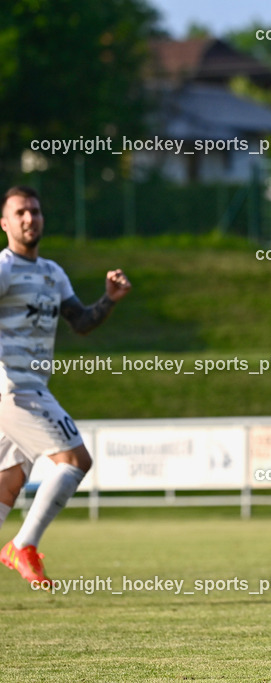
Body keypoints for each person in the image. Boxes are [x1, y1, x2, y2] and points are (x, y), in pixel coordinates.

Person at [0, 185, 132, 587]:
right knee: (75, 461)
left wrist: (109, 300)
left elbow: (81, 322)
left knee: (7, 482)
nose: (29, 218)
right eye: (20, 212)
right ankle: (22, 546)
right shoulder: (3, 268)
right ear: (4, 223)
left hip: (30, 385)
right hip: (13, 387)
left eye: (35, 211)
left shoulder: (53, 273)